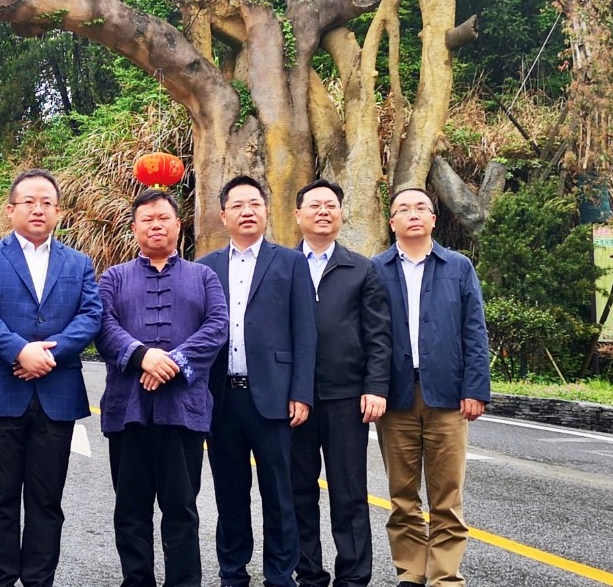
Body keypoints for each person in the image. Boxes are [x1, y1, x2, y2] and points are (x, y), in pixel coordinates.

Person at [0, 167, 102, 587]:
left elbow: (91, 315)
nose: (38, 209)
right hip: (0, 392)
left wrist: (48, 354)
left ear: (58, 212)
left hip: (57, 394)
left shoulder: (78, 262)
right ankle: (0, 581)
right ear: (11, 210)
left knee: (47, 500)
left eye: (47, 203)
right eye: (29, 202)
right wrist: (20, 350)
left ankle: (40, 580)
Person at [95, 189, 228, 587]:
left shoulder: (203, 277)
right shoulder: (114, 277)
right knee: (130, 510)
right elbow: (102, 326)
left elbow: (217, 326)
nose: (156, 225)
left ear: (178, 224)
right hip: (128, 410)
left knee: (182, 508)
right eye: (147, 219)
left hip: (183, 412)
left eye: (163, 218)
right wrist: (141, 356)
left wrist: (172, 362)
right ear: (135, 228)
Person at [197, 175, 316, 587]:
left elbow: (305, 333)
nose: (247, 212)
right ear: (223, 215)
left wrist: (301, 392)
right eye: (238, 205)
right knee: (230, 492)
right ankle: (232, 573)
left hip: (275, 396)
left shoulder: (291, 263)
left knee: (279, 494)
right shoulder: (205, 267)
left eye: (254, 204)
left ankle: (280, 575)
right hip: (222, 397)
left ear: (266, 210)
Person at [372, 187, 490, 587]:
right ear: (392, 222)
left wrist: (475, 389)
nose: (413, 214)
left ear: (433, 219)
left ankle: (444, 576)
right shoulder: (376, 269)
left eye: (421, 208)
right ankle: (411, 571)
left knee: (447, 497)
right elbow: (369, 336)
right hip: (396, 398)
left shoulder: (458, 267)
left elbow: (474, 331)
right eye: (403, 209)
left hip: (448, 397)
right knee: (402, 496)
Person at [290, 179, 391, 587]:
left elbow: (378, 335)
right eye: (314, 205)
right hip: (294, 399)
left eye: (331, 205)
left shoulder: (361, 269)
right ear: (298, 214)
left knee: (349, 493)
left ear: (341, 214)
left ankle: (353, 576)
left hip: (347, 398)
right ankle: (309, 574)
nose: (323, 212)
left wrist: (376, 386)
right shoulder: (282, 266)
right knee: (298, 491)